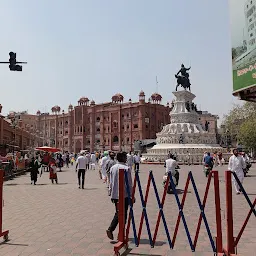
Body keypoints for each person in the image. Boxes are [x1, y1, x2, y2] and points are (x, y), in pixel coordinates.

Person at [106, 152, 133, 240]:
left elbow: (110, 181)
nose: (126, 159)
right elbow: (129, 183)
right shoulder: (126, 168)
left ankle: (119, 233)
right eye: (125, 157)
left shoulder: (113, 168)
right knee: (122, 214)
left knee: (118, 212)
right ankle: (117, 232)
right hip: (124, 195)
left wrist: (110, 192)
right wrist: (132, 195)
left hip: (114, 194)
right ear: (123, 158)